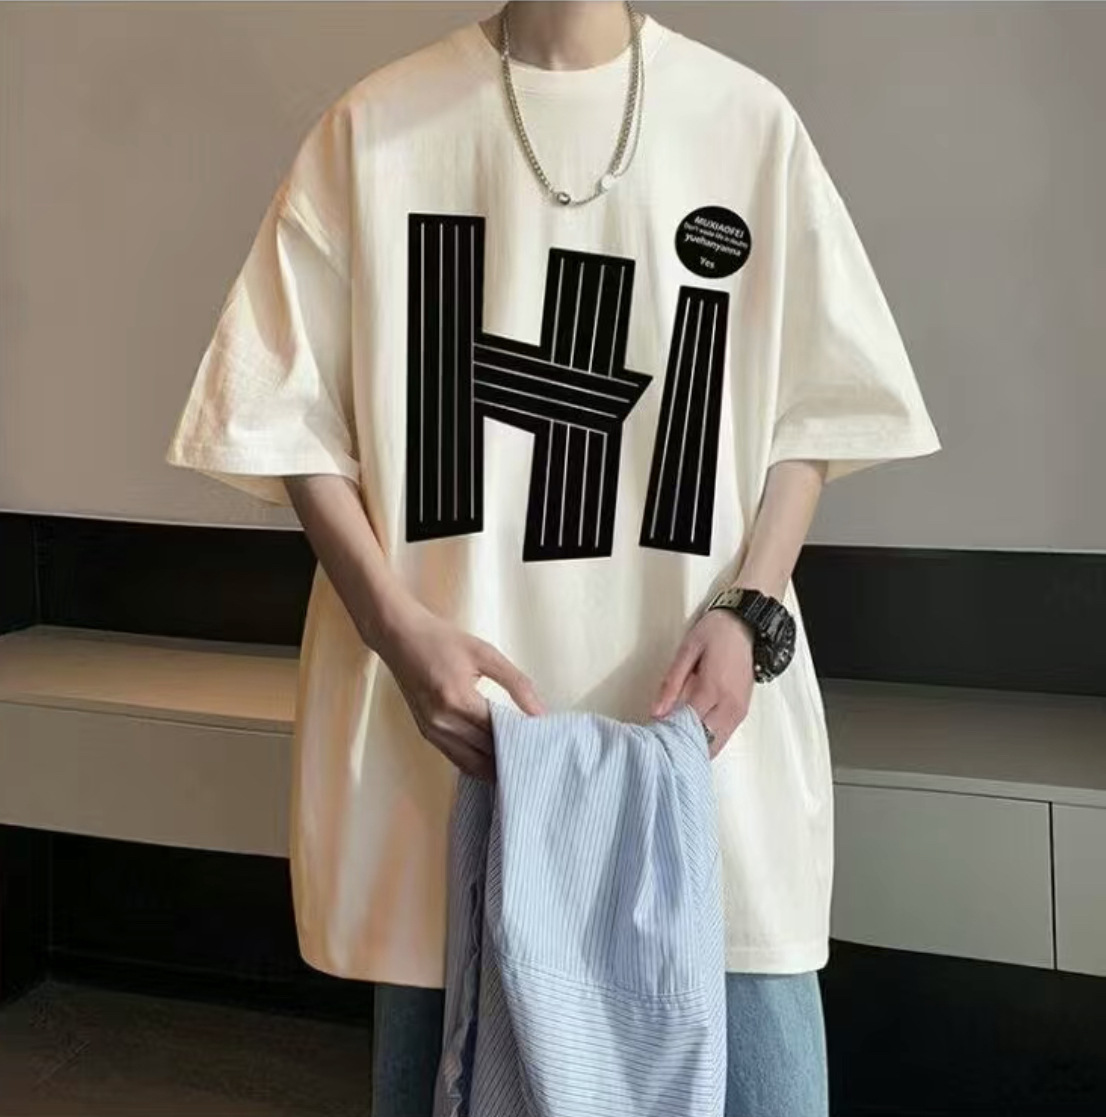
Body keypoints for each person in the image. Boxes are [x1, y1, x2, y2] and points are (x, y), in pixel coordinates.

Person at [164, 3, 942, 1115]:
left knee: (764, 1067)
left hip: (702, 745)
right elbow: (281, 415)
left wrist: (748, 606)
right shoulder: (374, 129)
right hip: (455, 750)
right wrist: (394, 627)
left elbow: (814, 411)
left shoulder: (745, 123)